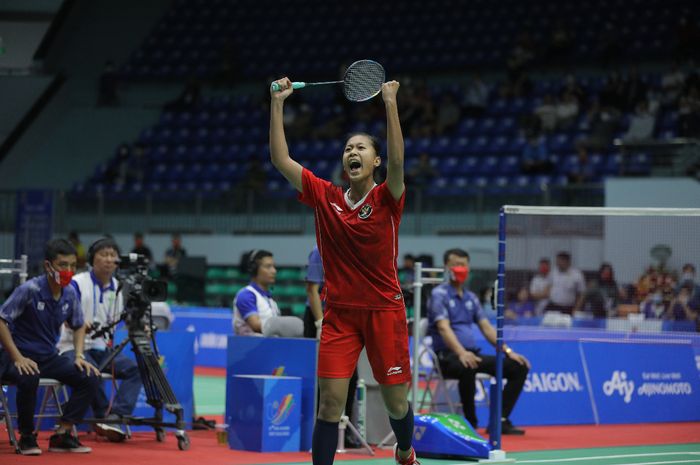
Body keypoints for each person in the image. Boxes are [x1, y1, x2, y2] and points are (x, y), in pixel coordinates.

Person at [270, 77, 418, 465]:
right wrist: (277, 104)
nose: (352, 152)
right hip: (340, 315)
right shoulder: (325, 197)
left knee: (397, 402)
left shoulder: (388, 198)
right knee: (330, 405)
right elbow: (281, 161)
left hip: (385, 311)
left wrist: (390, 103)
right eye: (348, 148)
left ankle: (404, 451)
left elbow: (400, 162)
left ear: (375, 161)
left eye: (361, 148)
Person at [0, 238, 101, 454]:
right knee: (29, 375)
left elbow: (79, 325)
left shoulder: (70, 293)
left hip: (48, 357)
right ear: (48, 266)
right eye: (63, 265)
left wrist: (79, 356)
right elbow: (1, 321)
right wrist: (18, 357)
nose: (69, 270)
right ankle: (27, 437)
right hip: (16, 356)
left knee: (90, 376)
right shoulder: (30, 289)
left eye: (73, 266)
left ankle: (63, 434)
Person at [428, 248, 530, 434]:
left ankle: (500, 420)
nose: (460, 268)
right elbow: (443, 327)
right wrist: (461, 353)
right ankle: (470, 424)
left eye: (463, 265)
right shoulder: (439, 294)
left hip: (471, 354)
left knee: (518, 367)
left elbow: (486, 328)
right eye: (456, 265)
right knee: (469, 365)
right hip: (448, 357)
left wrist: (507, 351)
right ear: (446, 267)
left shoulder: (471, 298)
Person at [57, 237, 141, 442]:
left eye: (113, 255)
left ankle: (116, 416)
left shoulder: (118, 288)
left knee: (136, 369)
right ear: (92, 259)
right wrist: (78, 324)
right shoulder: (77, 283)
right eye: (103, 254)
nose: (109, 259)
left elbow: (115, 322)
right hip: (71, 346)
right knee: (90, 369)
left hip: (102, 349)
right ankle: (102, 416)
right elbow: (64, 316)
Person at [303, 246, 360, 449]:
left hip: (345, 318)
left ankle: (344, 435)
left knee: (351, 378)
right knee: (324, 384)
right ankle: (319, 437)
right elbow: (312, 289)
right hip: (321, 317)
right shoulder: (320, 250)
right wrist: (320, 323)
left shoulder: (355, 245)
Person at [232, 249, 303, 337]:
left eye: (274, 266)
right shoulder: (246, 295)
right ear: (255, 269)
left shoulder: (270, 300)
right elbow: (256, 326)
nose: (274, 271)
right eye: (268, 266)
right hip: (250, 349)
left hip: (267, 347)